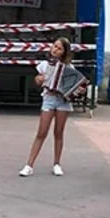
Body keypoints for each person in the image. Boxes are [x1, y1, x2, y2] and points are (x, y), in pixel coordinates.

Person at [19, 37, 82, 177]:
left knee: (58, 132)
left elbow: (76, 85)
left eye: (59, 48)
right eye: (54, 46)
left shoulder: (69, 68)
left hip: (63, 101)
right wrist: (39, 79)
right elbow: (38, 80)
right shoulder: (44, 65)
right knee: (41, 132)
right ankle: (29, 165)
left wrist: (79, 89)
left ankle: (57, 164)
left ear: (64, 52)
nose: (55, 49)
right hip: (49, 98)